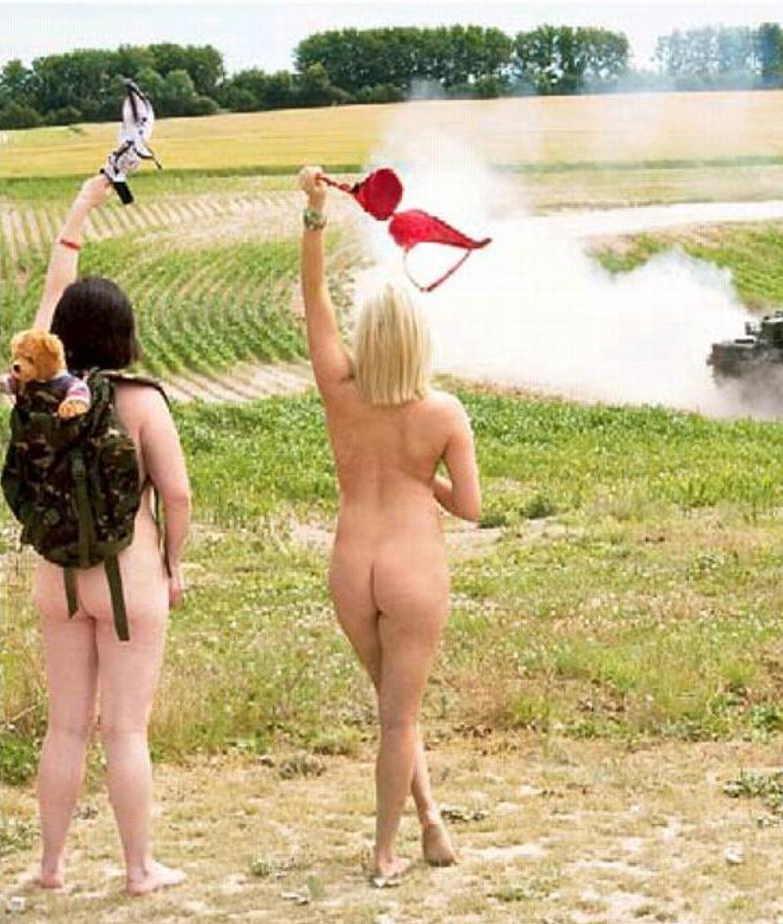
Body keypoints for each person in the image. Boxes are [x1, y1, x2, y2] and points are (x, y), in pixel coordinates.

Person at [297, 165, 482, 885]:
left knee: (393, 707)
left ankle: (431, 822)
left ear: (367, 335)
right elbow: (470, 507)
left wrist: (314, 214)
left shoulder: (339, 390)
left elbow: (313, 298)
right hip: (412, 568)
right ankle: (384, 851)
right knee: (399, 718)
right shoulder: (442, 413)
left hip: (351, 565)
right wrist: (419, 475)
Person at [27, 174, 191, 896]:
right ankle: (138, 869)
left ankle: (51, 867)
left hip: (57, 575)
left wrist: (81, 208)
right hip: (131, 578)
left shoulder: (37, 389)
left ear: (59, 337)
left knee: (65, 727)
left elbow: (49, 300)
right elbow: (177, 493)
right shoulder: (141, 402)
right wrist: (174, 563)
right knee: (125, 730)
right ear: (126, 334)